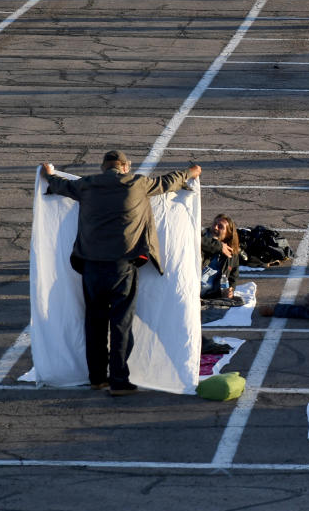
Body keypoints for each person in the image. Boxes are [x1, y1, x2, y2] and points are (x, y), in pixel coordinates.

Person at [40, 151, 201, 395]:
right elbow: (167, 182)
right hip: (121, 267)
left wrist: (48, 174)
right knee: (120, 325)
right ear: (125, 167)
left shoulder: (88, 185)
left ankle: (97, 377)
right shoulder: (137, 183)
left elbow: (60, 185)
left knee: (94, 323)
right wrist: (191, 172)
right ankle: (119, 379)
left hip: (91, 266)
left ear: (104, 168)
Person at [201, 214, 240, 300]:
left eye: (220, 226)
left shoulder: (232, 253)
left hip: (211, 296)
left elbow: (233, 276)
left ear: (228, 234)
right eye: (214, 224)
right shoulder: (200, 239)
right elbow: (195, 241)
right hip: (191, 292)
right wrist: (218, 246)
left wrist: (230, 290)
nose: (215, 227)